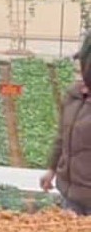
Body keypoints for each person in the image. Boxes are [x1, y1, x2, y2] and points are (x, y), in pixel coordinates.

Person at [43, 45, 91, 215]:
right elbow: (62, 137)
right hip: (70, 195)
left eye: (81, 72)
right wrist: (52, 169)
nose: (77, 77)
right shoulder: (73, 96)